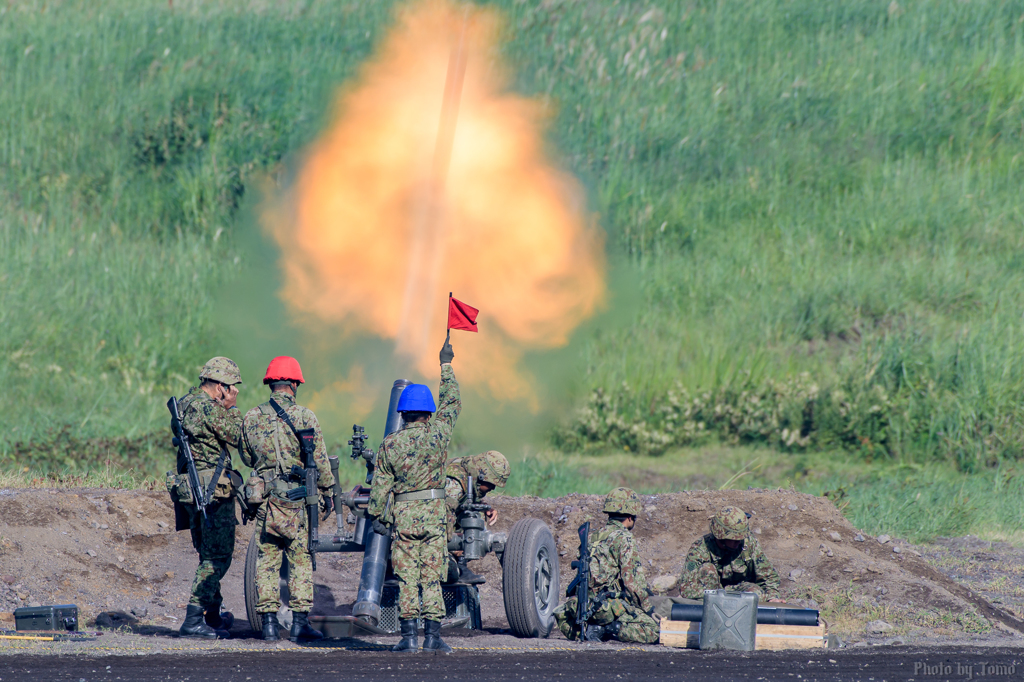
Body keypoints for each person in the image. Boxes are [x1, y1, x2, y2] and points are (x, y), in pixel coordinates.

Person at [368, 336, 460, 654]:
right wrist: (445, 366)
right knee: (432, 575)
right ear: (428, 413)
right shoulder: (439, 434)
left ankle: (408, 638)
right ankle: (433, 637)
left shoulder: (390, 444)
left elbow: (380, 488)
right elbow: (452, 404)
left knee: (408, 577)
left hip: (404, 517)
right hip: (435, 515)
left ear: (403, 413)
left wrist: (379, 518)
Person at [239, 356, 336, 642]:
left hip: (266, 501)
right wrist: (328, 492)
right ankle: (299, 624)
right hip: (297, 501)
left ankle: (268, 624)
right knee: (300, 560)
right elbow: (318, 462)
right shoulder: (306, 416)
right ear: (294, 384)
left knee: (266, 560)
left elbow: (247, 456)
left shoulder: (251, 416)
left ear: (271, 383)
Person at [174, 357, 244, 639]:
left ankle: (211, 614)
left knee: (207, 552)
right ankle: (193, 620)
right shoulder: (208, 408)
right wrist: (232, 408)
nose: (233, 392)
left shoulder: (186, 402)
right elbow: (239, 435)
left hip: (193, 490)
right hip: (212, 492)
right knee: (217, 558)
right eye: (231, 388)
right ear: (220, 386)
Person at [554, 487, 660, 644]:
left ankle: (593, 628)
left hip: (582, 607)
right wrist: (648, 609)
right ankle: (606, 629)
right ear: (630, 517)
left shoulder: (594, 536)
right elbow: (633, 583)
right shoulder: (624, 538)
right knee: (654, 631)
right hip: (604, 608)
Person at [676, 506, 782, 602]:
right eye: (734, 539)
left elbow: (768, 576)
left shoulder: (748, 543)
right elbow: (687, 589)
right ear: (721, 537)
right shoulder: (699, 549)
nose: (738, 542)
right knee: (707, 569)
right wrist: (719, 595)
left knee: (757, 594)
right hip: (710, 595)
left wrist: (773, 597)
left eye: (740, 539)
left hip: (742, 591)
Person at [443, 451, 510, 584]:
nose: (493, 488)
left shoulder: (469, 472)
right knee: (450, 573)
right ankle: (458, 566)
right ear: (482, 475)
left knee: (474, 515)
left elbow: (465, 498)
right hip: (429, 533)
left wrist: (484, 506)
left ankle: (459, 564)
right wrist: (455, 547)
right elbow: (442, 521)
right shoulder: (454, 483)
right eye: (491, 483)